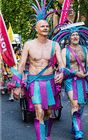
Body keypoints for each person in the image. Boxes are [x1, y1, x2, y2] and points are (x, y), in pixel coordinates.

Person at [11, 1, 65, 140]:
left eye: (47, 26)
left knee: (48, 112)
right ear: (36, 29)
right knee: (39, 111)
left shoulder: (55, 45)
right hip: (34, 82)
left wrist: (61, 72)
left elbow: (61, 63)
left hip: (49, 81)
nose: (46, 28)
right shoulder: (29, 44)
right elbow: (22, 65)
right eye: (42, 26)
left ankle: (46, 135)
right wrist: (17, 85)